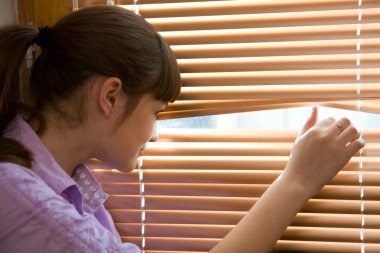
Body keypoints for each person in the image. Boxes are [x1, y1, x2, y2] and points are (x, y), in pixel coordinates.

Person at [0, 5, 364, 253]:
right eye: (157, 111)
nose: (155, 133)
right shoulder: (27, 201)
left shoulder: (62, 184)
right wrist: (297, 180)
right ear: (110, 96)